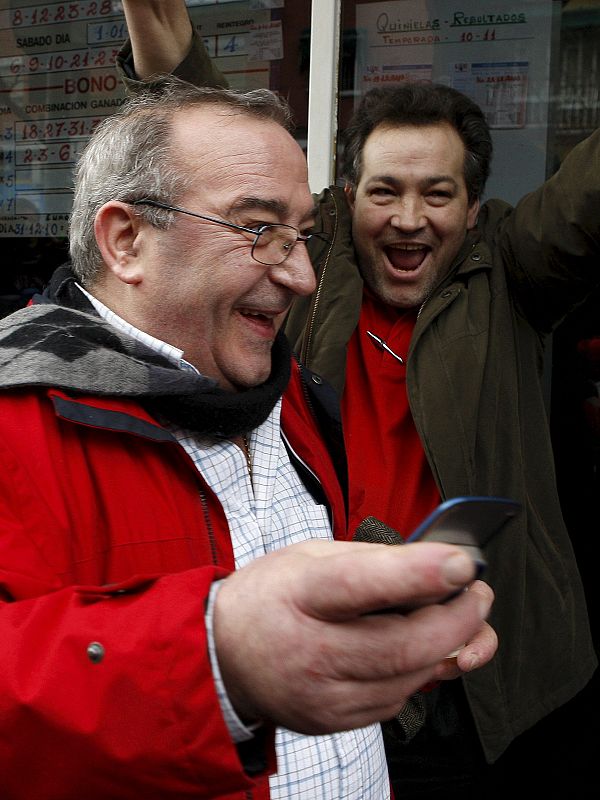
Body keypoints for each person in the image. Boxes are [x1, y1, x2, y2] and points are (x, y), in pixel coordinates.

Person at [116, 2, 600, 796]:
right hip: (339, 671)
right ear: (347, 197)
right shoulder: (306, 272)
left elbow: (585, 201)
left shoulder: (508, 271)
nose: (409, 219)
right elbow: (220, 160)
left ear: (472, 211)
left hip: (494, 687)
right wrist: (174, 61)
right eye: (385, 192)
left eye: (437, 194)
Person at [0, 77, 497, 800]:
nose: (299, 276)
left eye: (301, 235)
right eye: (259, 230)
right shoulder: (18, 422)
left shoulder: (290, 393)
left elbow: (292, 541)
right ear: (126, 239)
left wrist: (395, 589)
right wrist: (215, 659)